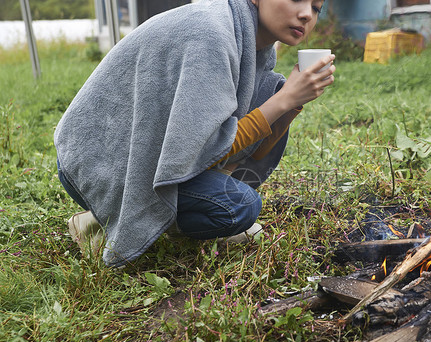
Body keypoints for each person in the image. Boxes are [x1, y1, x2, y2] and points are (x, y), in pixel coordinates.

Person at [54, 0, 335, 267]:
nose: (306, 14)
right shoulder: (211, 34)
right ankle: (112, 218)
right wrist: (283, 100)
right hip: (97, 164)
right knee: (239, 206)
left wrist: (290, 102)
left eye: (316, 8)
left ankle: (112, 216)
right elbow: (205, 147)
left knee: (271, 100)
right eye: (298, 0)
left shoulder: (254, 46)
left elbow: (253, 148)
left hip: (134, 158)